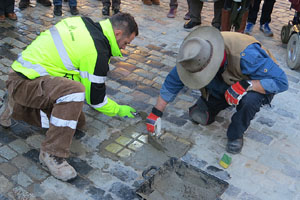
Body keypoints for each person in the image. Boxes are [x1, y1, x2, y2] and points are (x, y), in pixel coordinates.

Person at [0, 13, 139, 181]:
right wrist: (117, 109)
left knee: (77, 123)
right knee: (75, 92)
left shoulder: (82, 22)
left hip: (27, 77)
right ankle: (52, 153)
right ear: (117, 34)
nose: (124, 48)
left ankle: (14, 105)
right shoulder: (96, 51)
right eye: (126, 43)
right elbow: (95, 100)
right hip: (24, 82)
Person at [146, 26, 288, 154]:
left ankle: (236, 134)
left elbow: (281, 82)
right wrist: (156, 113)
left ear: (215, 62)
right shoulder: (194, 53)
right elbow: (173, 81)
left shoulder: (248, 55)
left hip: (253, 83)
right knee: (199, 116)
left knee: (250, 101)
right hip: (225, 79)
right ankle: (213, 102)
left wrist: (248, 85)